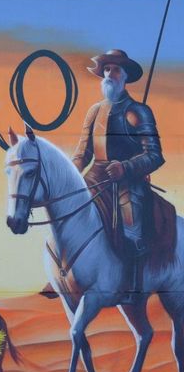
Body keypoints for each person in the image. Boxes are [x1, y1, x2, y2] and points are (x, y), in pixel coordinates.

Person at [71, 49, 167, 303]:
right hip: (95, 175)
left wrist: (126, 167)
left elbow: (155, 155)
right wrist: (72, 175)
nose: (109, 74)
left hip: (128, 180)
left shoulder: (139, 111)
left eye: (115, 70)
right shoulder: (94, 111)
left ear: (125, 76)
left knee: (131, 228)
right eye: (106, 69)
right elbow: (83, 153)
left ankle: (130, 284)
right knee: (68, 214)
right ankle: (65, 273)